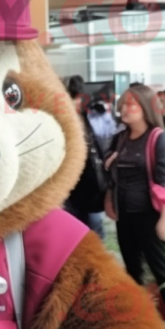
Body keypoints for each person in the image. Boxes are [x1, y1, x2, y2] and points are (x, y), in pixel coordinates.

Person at [104, 84, 165, 329]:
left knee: (161, 269)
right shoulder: (120, 138)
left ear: (145, 108)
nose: (124, 109)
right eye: (122, 104)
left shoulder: (158, 138)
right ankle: (138, 318)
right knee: (132, 267)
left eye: (131, 104)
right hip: (125, 216)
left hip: (150, 215)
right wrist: (109, 200)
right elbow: (110, 174)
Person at [63, 75, 106, 240]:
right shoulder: (73, 118)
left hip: (86, 180)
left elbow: (99, 144)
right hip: (76, 183)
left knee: (92, 225)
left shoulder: (88, 116)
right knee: (83, 226)